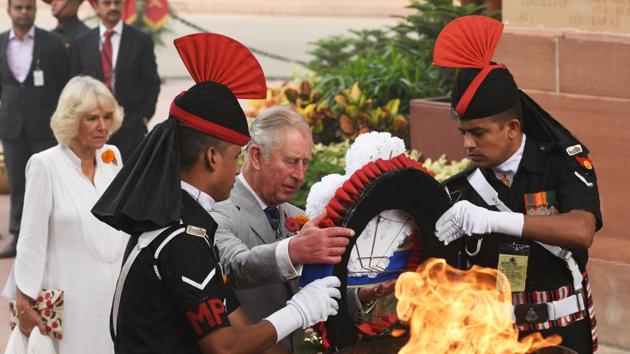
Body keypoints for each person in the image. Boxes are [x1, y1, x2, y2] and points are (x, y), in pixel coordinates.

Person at [91, 33, 343, 354]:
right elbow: (224, 347)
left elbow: (240, 328)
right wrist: (299, 311)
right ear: (211, 157)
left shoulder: (185, 222)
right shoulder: (182, 237)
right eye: (236, 156)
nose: (238, 169)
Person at [432, 16, 600, 354]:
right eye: (463, 132)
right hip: (493, 337)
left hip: (561, 331)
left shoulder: (563, 163)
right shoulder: (461, 191)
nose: (467, 144)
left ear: (511, 127)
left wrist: (494, 220)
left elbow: (582, 229)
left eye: (478, 132)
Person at [211, 106, 387, 351]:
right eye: (292, 161)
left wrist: (361, 296)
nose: (300, 175)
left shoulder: (297, 216)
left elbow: (308, 294)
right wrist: (293, 250)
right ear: (255, 156)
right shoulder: (218, 211)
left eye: (306, 163)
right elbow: (235, 266)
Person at [1, 75, 128, 353]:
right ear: (72, 120)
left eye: (107, 117)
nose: (102, 127)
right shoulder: (45, 165)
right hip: (68, 298)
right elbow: (31, 238)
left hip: (112, 295)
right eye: (92, 118)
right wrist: (23, 300)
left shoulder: (112, 157)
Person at [0, 0, 70, 258]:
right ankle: (18, 237)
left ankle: (51, 238)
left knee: (47, 183)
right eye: (18, 7)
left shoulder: (52, 44)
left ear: (35, 10)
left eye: (28, 7)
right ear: (9, 11)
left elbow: (65, 85)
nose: (24, 12)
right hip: (12, 128)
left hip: (45, 128)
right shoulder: (0, 42)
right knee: (18, 184)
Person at [72, 0, 160, 159]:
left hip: (131, 129)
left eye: (117, 3)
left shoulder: (141, 41)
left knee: (130, 180)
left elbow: (152, 83)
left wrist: (144, 117)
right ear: (96, 7)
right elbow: (75, 85)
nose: (113, 7)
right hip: (92, 130)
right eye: (107, 3)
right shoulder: (81, 43)